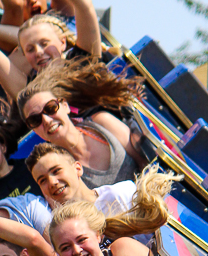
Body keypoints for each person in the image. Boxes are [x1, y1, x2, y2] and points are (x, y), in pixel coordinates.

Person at [46, 165, 177, 256]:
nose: (76, 250)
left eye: (81, 239)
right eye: (65, 248)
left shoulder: (123, 250)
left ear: (98, 235)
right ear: (59, 255)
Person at [17, 58, 145, 188]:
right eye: (35, 120)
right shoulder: (56, 169)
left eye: (50, 108)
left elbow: (146, 163)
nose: (46, 120)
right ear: (34, 129)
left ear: (65, 106)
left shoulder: (102, 123)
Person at [25, 142, 137, 213]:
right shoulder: (63, 233)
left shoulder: (122, 194)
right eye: (42, 180)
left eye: (56, 171)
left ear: (78, 169)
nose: (52, 182)